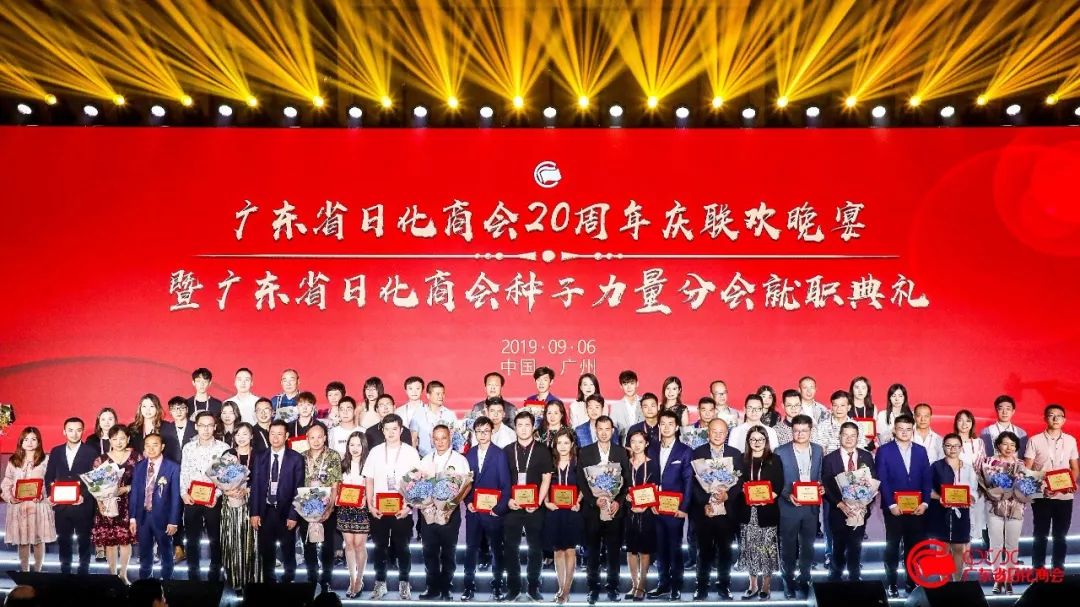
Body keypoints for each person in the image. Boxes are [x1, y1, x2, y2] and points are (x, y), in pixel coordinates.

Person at [363, 414, 421, 600]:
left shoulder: (410, 452)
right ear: (382, 430)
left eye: (394, 429)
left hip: (402, 508)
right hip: (379, 509)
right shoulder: (375, 452)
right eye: (387, 429)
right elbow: (369, 480)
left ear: (401, 430)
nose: (390, 433)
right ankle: (380, 584)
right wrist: (370, 505)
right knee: (379, 547)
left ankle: (405, 583)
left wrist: (409, 506)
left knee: (403, 547)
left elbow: (417, 482)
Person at [875, 414, 932, 598]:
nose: (904, 432)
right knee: (892, 547)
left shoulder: (921, 451)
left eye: (908, 429)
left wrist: (925, 503)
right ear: (894, 430)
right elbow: (882, 479)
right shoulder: (884, 451)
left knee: (913, 547)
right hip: (894, 509)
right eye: (901, 429)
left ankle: (911, 582)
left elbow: (927, 478)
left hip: (917, 509)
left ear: (912, 430)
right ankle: (891, 583)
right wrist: (891, 504)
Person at [502, 410, 554, 602]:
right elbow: (502, 480)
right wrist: (508, 500)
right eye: (520, 425)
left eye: (527, 425)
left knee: (535, 548)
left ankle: (533, 587)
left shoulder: (542, 450)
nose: (523, 429)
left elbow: (546, 478)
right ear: (515, 428)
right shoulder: (507, 451)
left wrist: (538, 502)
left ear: (533, 427)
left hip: (535, 507)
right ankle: (513, 587)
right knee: (511, 548)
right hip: (513, 506)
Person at [577, 416, 630, 604]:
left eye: (608, 429)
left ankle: (613, 587)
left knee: (614, 552)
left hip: (615, 511)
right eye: (600, 429)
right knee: (592, 551)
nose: (604, 432)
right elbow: (581, 482)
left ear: (612, 431)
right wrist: (594, 501)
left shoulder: (621, 452)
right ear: (596, 430)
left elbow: (627, 481)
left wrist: (618, 502)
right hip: (592, 511)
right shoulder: (585, 452)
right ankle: (593, 588)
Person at [691, 419, 743, 601]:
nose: (718, 435)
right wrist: (705, 501)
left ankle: (724, 586)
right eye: (714, 431)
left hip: (727, 512)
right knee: (704, 550)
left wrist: (727, 496)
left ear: (727, 433)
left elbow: (740, 482)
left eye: (722, 432)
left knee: (725, 551)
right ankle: (701, 586)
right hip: (704, 511)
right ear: (708, 432)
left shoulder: (735, 454)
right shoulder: (697, 452)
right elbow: (693, 482)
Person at [1024, 403, 1079, 575]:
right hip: (1042, 496)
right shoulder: (1034, 440)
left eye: (1059, 416)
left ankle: (1058, 570)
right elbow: (1027, 470)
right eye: (1051, 415)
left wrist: (1071, 483)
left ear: (1064, 420)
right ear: (1045, 418)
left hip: (1064, 497)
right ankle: (1038, 571)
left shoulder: (1070, 440)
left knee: (1060, 536)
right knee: (1040, 535)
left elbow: (1074, 467)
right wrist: (1041, 488)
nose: (1055, 419)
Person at [418, 425, 470, 600]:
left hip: (450, 512)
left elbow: (467, 485)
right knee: (429, 551)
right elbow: (417, 486)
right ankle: (432, 587)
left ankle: (447, 587)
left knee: (448, 551)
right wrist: (424, 503)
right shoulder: (425, 460)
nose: (440, 442)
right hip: (428, 513)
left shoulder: (459, 460)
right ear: (432, 440)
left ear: (450, 438)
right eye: (436, 438)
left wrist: (452, 505)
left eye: (444, 438)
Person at [462, 416, 511, 602]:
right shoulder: (469, 455)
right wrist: (468, 502)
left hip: (493, 513)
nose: (482, 435)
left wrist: (498, 509)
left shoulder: (499, 454)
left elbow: (506, 485)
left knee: (497, 549)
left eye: (486, 431)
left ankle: (497, 585)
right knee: (471, 549)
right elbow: (465, 485)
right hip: (474, 512)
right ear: (474, 433)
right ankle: (468, 586)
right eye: (479, 431)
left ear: (492, 432)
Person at [250, 420, 305, 583]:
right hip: (265, 510)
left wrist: (293, 515)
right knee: (266, 549)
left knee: (288, 549)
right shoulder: (260, 456)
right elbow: (255, 486)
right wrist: (254, 513)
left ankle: (288, 580)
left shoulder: (296, 458)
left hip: (286, 511)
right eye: (272, 434)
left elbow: (299, 488)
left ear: (286, 436)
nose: (275, 438)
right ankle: (269, 582)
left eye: (279, 434)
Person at [646, 410, 693, 601]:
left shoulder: (685, 451)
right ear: (658, 426)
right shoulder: (651, 448)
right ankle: (663, 584)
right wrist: (649, 501)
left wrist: (684, 508)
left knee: (675, 547)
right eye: (663, 424)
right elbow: (648, 477)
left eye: (670, 424)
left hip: (675, 508)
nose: (666, 427)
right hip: (655, 507)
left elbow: (689, 481)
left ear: (677, 427)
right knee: (659, 547)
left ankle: (676, 586)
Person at [776, 414, 824, 599]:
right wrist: (787, 495)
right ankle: (787, 580)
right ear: (792, 431)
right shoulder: (780, 451)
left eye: (804, 430)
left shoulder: (818, 450)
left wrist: (821, 487)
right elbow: (776, 480)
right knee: (788, 546)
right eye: (796, 430)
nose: (800, 434)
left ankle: (804, 579)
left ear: (810, 431)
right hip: (788, 507)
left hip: (811, 508)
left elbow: (820, 475)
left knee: (808, 547)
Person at [822, 422, 876, 582]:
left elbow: (873, 480)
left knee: (855, 545)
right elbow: (826, 485)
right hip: (838, 510)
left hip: (860, 510)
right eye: (845, 435)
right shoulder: (829, 459)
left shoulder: (866, 456)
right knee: (838, 545)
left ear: (858, 437)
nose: (849, 438)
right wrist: (840, 504)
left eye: (853, 435)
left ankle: (854, 576)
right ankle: (835, 577)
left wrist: (864, 503)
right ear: (839, 436)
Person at [180, 411, 230, 581]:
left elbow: (225, 476)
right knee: (192, 538)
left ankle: (215, 570)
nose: (206, 429)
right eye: (202, 425)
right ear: (196, 426)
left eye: (210, 425)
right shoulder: (188, 448)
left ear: (215, 427)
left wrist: (217, 494)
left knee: (215, 537)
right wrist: (183, 493)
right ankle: (193, 572)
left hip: (214, 499)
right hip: (192, 498)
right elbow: (184, 471)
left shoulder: (223, 448)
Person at [44, 417, 97, 574]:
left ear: (83, 431)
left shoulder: (91, 452)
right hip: (61, 505)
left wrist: (84, 496)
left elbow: (94, 479)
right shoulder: (56, 451)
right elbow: (49, 476)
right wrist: (50, 495)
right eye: (70, 430)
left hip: (83, 504)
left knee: (84, 540)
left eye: (78, 430)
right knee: (63, 539)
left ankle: (84, 570)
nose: (74, 434)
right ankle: (65, 570)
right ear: (64, 431)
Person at [1, 427, 56, 572]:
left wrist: (42, 494)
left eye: (33, 439)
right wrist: (10, 498)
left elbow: (50, 481)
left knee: (38, 540)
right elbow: (7, 482)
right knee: (23, 541)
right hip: (19, 505)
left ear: (39, 442)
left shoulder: (46, 460)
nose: (30, 443)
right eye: (26, 439)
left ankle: (37, 572)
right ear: (21, 442)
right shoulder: (14, 460)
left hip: (38, 505)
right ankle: (24, 572)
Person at [738, 424, 783, 599]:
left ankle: (766, 585)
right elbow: (737, 483)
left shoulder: (775, 459)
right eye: (753, 439)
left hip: (767, 510)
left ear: (766, 441)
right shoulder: (742, 459)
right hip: (747, 511)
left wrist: (767, 498)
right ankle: (752, 584)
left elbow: (779, 484)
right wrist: (743, 491)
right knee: (750, 548)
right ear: (748, 441)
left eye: (761, 439)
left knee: (766, 549)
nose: (757, 443)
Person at [129, 433, 181, 580]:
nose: (151, 449)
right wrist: (132, 518)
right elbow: (135, 493)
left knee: (166, 553)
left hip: (163, 518)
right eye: (148, 445)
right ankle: (145, 584)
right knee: (144, 553)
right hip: (143, 517)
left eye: (155, 445)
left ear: (162, 446)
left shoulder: (172, 467)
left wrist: (173, 521)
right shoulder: (139, 466)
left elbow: (176, 497)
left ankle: (166, 583)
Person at [91, 425, 138, 583]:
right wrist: (99, 502)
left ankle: (123, 574)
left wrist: (127, 488)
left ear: (128, 439)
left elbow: (143, 481)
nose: (119, 442)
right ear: (109, 440)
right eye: (114, 439)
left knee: (125, 541)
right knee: (110, 541)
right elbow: (95, 485)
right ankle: (112, 575)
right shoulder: (101, 460)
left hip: (128, 503)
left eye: (122, 438)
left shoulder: (136, 457)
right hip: (107, 503)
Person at [299, 422, 341, 593]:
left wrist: (329, 508)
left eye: (319, 437)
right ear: (307, 438)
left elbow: (335, 484)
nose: (316, 441)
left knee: (327, 545)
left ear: (325, 438)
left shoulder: (333, 456)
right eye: (312, 437)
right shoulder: (301, 457)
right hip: (306, 508)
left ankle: (326, 580)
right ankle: (312, 578)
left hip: (326, 507)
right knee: (308, 544)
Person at [542, 429, 584, 605]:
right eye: (559, 443)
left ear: (572, 444)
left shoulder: (578, 462)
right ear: (555, 445)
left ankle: (566, 590)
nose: (563, 446)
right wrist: (546, 502)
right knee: (558, 551)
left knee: (570, 550)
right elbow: (543, 483)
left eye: (566, 442)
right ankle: (560, 587)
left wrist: (578, 502)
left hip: (572, 511)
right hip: (555, 510)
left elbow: (584, 485)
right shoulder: (550, 463)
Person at [928, 433, 977, 581]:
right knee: (941, 548)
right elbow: (928, 490)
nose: (952, 449)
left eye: (956, 446)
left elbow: (974, 490)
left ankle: (957, 583)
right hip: (940, 512)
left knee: (958, 548)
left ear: (961, 448)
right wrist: (940, 498)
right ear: (943, 447)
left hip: (961, 512)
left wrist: (971, 498)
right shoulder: (936, 466)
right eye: (948, 446)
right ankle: (943, 584)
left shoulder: (968, 468)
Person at [221, 423, 260, 592]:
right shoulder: (228, 454)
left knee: (251, 542)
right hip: (231, 501)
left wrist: (247, 490)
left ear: (251, 436)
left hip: (252, 502)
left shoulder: (259, 455)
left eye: (245, 434)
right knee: (233, 540)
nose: (241, 438)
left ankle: (253, 580)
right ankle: (235, 579)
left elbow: (262, 480)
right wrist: (227, 490)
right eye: (238, 434)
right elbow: (219, 477)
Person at [984, 431, 1024, 594]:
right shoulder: (989, 462)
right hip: (994, 508)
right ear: (998, 445)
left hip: (1016, 509)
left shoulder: (1021, 464)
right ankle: (998, 579)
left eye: (1013, 445)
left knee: (1012, 545)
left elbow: (1026, 487)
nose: (1009, 448)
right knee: (995, 545)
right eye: (1005, 444)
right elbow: (987, 485)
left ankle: (1009, 580)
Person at [623, 429, 658, 601]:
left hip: (647, 512)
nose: (636, 445)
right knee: (631, 550)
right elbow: (621, 486)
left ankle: (642, 585)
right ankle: (634, 584)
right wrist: (626, 497)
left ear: (646, 444)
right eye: (633, 441)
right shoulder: (625, 464)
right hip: (629, 512)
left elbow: (656, 488)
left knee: (644, 550)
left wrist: (645, 505)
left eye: (640, 442)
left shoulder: (653, 464)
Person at [338, 431, 371, 599]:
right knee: (349, 545)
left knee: (359, 545)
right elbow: (337, 486)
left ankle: (360, 579)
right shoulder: (342, 464)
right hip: (345, 509)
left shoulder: (369, 465)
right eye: (352, 445)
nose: (355, 448)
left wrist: (367, 498)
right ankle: (352, 579)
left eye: (358, 444)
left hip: (362, 509)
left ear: (364, 446)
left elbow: (372, 485)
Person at [953, 409, 987, 545]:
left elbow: (983, 466)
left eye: (968, 420)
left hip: (976, 490)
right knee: (957, 528)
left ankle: (967, 557)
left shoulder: (979, 443)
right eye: (960, 420)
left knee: (973, 528)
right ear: (956, 423)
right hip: (956, 490)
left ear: (972, 423)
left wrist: (980, 488)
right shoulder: (950, 441)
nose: (964, 424)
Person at [410, 380, 458, 457]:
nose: (441, 396)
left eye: (443, 393)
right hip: (424, 458)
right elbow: (413, 439)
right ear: (428, 395)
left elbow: (456, 438)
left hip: (447, 458)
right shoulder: (418, 414)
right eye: (438, 394)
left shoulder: (450, 414)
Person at [129, 394, 175, 459]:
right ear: (140, 408)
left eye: (151, 406)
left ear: (157, 408)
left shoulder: (166, 426)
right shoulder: (132, 427)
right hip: (138, 463)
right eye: (144, 406)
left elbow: (171, 450)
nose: (148, 410)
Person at [608, 370, 643, 443]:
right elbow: (613, 431)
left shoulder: (644, 403)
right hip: (623, 446)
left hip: (643, 446)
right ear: (621, 386)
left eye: (632, 383)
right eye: (625, 384)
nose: (629, 387)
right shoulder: (616, 407)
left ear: (637, 384)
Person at [162, 396, 196, 465]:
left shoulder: (196, 427)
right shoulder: (165, 430)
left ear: (187, 410)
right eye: (174, 409)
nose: (178, 411)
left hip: (193, 465)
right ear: (170, 411)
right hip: (172, 466)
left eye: (182, 408)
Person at [849, 376, 877, 451]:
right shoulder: (846, 406)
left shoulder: (873, 407)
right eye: (857, 387)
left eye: (863, 388)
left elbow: (874, 431)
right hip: (850, 445)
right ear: (852, 389)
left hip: (868, 446)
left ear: (868, 390)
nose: (860, 391)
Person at [395, 376, 426, 442]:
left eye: (417, 388)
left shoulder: (428, 410)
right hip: (403, 445)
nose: (414, 392)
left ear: (422, 391)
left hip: (424, 446)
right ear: (406, 391)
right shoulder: (398, 412)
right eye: (410, 388)